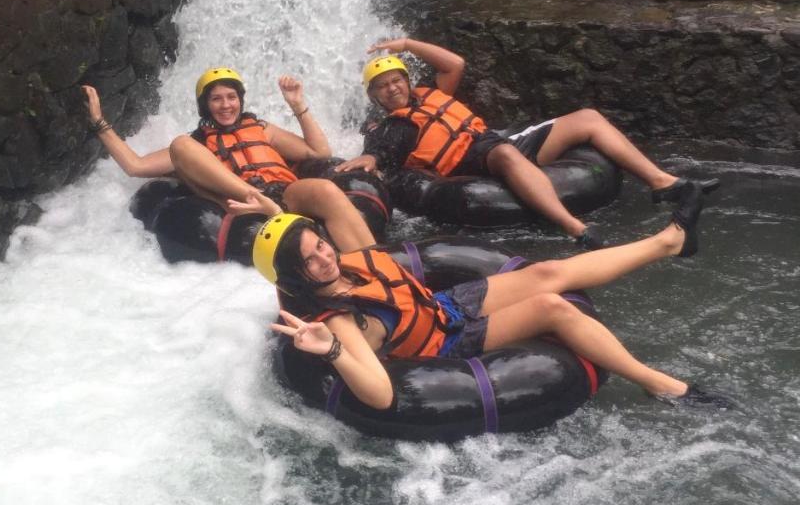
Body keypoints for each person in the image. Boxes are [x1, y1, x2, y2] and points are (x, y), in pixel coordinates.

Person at [244, 187, 728, 411]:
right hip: (442, 347)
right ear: (297, 277)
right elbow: (381, 394)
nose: (325, 258)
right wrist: (329, 349)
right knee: (553, 307)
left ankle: (672, 240)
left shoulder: (347, 258)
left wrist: (275, 209)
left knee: (548, 271)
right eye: (310, 260)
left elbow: (324, 193)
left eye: (320, 245)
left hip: (443, 306)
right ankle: (661, 384)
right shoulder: (341, 321)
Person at [335, 36, 718, 248]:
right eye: (382, 88)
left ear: (406, 78)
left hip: (492, 140)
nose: (392, 89)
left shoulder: (433, 92)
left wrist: (406, 44)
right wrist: (367, 160)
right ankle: (575, 228)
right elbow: (377, 155)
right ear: (375, 97)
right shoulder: (388, 127)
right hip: (469, 162)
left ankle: (661, 183)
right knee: (502, 152)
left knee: (586, 118)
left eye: (396, 79)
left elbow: (455, 63)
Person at [82, 68, 373, 252]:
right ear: (205, 105)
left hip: (283, 194)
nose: (226, 105)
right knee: (180, 144)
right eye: (216, 99)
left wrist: (298, 106)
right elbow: (135, 166)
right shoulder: (196, 144)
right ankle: (256, 198)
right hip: (242, 206)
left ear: (240, 100)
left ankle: (374, 267)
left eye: (231, 97)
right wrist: (99, 123)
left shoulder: (260, 128)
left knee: (325, 190)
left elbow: (318, 152)